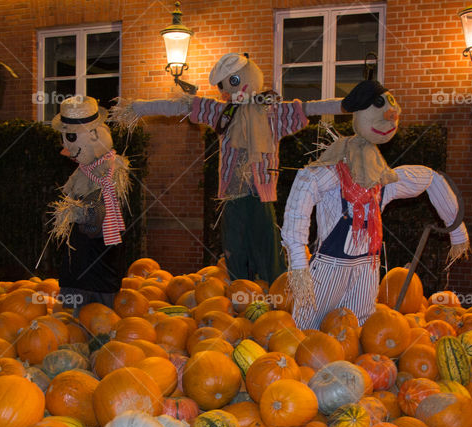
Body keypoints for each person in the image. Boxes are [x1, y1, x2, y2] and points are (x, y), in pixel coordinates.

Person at [114, 53, 342, 282]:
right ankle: (240, 289)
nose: (227, 91)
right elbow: (179, 106)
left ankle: (275, 289)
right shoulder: (223, 112)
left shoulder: (272, 112)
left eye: (232, 82)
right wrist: (138, 108)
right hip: (232, 195)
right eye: (223, 86)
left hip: (260, 193)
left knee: (266, 245)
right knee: (234, 245)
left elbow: (311, 108)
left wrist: (351, 105)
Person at [281, 79, 470, 330]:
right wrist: (297, 262)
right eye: (380, 106)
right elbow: (305, 184)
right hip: (331, 266)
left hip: (368, 267)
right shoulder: (336, 171)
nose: (391, 115)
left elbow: (429, 178)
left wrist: (457, 231)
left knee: (360, 328)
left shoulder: (383, 181)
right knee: (310, 328)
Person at [50, 95, 132, 312]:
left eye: (71, 138)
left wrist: (82, 214)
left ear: (94, 136)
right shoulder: (83, 171)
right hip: (78, 256)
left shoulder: (109, 171)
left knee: (98, 319)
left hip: (100, 256)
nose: (66, 148)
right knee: (71, 320)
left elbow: (102, 213)